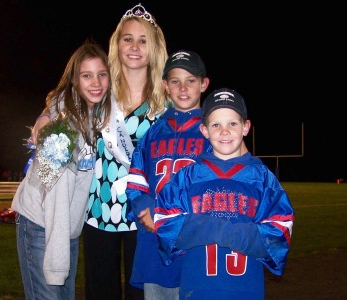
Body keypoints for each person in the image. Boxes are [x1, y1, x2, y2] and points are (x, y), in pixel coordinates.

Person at [29, 4, 168, 299]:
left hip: (143, 215)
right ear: (116, 44)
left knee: (139, 294)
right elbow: (65, 97)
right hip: (98, 213)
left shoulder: (164, 104)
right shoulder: (102, 91)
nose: (134, 47)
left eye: (143, 40)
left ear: (154, 48)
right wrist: (44, 115)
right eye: (127, 38)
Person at [154, 88, 295, 300]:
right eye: (216, 125)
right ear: (204, 130)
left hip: (246, 290)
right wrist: (220, 229)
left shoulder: (262, 179)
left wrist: (225, 233)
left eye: (233, 123)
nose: (224, 131)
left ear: (246, 127)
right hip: (197, 289)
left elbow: (280, 233)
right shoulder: (189, 177)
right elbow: (165, 224)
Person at [11, 40, 111, 300]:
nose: (96, 83)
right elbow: (52, 191)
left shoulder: (96, 116)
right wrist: (57, 264)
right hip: (40, 223)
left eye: (102, 75)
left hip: (66, 229)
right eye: (86, 76)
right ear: (74, 81)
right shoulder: (63, 129)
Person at [125, 50, 212, 299]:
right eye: (175, 81)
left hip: (192, 242)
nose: (183, 88)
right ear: (165, 86)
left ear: (204, 84)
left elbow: (215, 183)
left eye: (191, 80)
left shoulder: (211, 131)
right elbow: (136, 177)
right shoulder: (153, 133)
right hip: (155, 241)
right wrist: (145, 209)